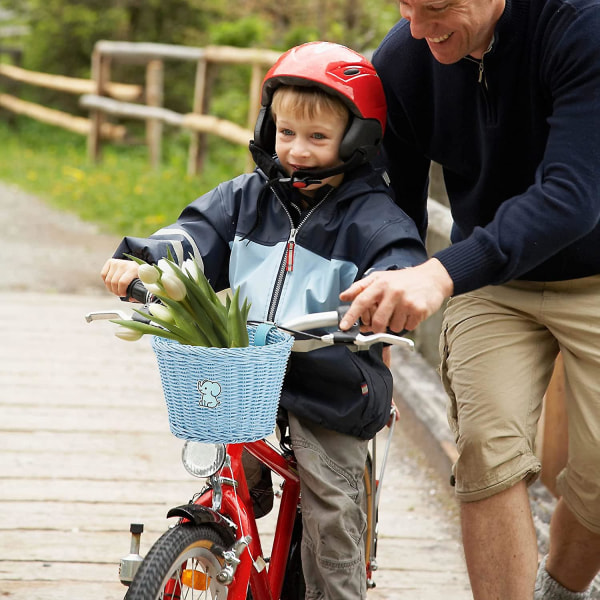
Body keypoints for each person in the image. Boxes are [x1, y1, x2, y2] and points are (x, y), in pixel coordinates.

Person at [101, 41, 427, 599]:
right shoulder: (246, 199)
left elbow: (400, 262)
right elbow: (192, 235)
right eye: (285, 133)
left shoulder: (373, 217)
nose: (297, 151)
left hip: (332, 383)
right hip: (246, 376)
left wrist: (389, 294)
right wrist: (147, 260)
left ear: (358, 141)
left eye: (318, 138)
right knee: (224, 476)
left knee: (331, 513)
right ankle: (216, 538)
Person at [338, 0, 600, 598]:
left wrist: (439, 275)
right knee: (488, 448)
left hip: (594, 275)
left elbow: (571, 197)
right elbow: (391, 212)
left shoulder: (580, 26)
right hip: (492, 289)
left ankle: (558, 590)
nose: (418, 27)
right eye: (406, 5)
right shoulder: (405, 57)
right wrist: (380, 326)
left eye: (437, 9)